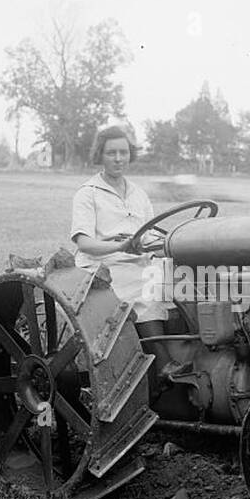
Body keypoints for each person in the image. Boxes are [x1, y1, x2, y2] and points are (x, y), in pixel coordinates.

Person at [69, 124, 170, 339]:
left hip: (137, 260)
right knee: (144, 286)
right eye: (111, 153)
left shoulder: (138, 194)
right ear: (100, 156)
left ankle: (189, 348)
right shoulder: (88, 193)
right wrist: (120, 247)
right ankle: (163, 362)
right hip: (103, 265)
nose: (118, 158)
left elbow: (150, 235)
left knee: (183, 281)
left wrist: (168, 245)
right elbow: (84, 244)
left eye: (123, 152)